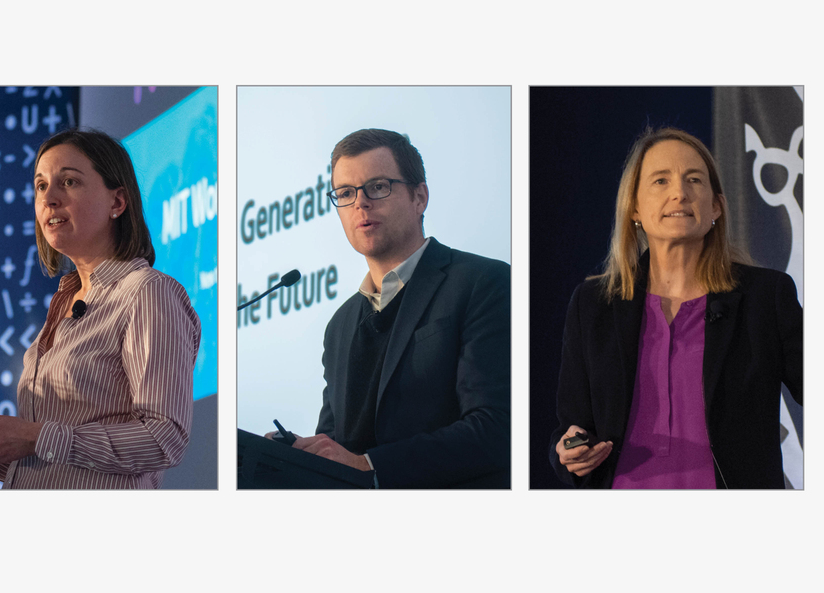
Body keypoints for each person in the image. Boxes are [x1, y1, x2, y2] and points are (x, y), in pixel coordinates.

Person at [549, 127, 802, 489]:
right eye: (661, 181)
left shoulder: (765, 297)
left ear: (716, 206)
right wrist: (570, 453)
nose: (679, 193)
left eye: (694, 180)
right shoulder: (594, 305)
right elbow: (572, 427)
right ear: (634, 207)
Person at [0, 128, 201, 489]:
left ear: (117, 202)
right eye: (40, 186)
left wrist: (38, 437)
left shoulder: (147, 293)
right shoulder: (63, 303)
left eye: (68, 182)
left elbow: (164, 439)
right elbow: (56, 467)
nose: (49, 198)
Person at [272, 128, 510, 488]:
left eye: (378, 187)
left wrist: (370, 464)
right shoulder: (340, 326)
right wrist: (298, 453)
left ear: (420, 197)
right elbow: (334, 444)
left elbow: (494, 426)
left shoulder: (481, 282)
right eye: (346, 193)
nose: (360, 204)